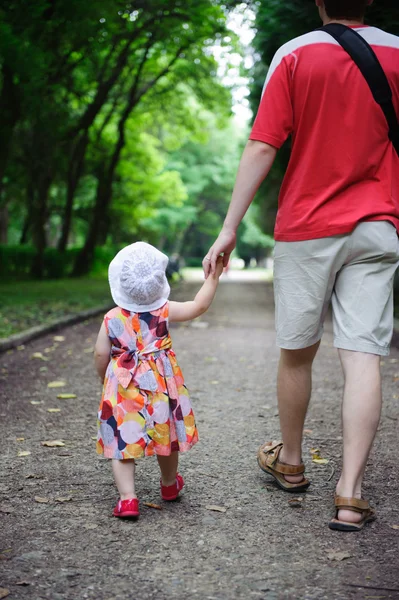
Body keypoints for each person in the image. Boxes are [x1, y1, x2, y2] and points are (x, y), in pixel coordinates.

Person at [203, 0, 399, 531]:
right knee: (363, 358)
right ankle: (350, 494)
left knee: (297, 353)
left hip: (308, 226)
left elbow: (265, 144)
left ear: (318, 1)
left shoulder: (294, 54)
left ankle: (291, 463)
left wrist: (228, 228)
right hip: (379, 223)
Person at [95, 242, 223, 518]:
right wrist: (214, 276)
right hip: (160, 387)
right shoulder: (163, 311)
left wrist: (105, 378)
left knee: (122, 443)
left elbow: (100, 353)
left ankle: (128, 499)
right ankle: (168, 485)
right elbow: (198, 306)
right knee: (165, 435)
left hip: (124, 385)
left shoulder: (111, 318)